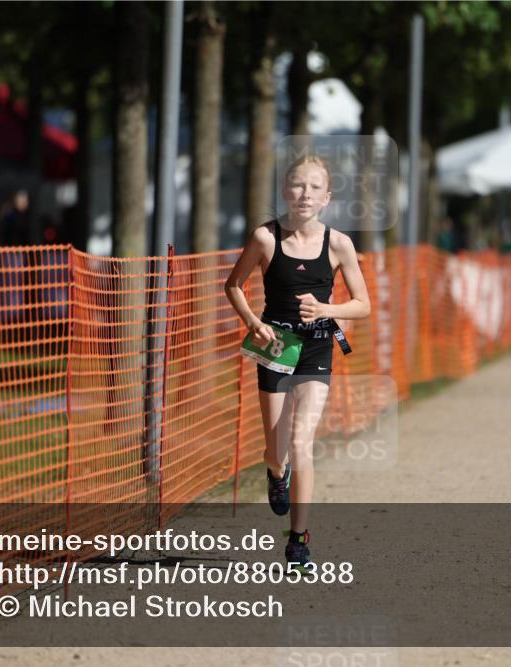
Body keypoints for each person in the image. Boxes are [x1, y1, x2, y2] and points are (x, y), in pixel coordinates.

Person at [225, 155, 371, 567]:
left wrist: (327, 310)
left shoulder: (339, 244)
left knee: (300, 442)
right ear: (285, 191)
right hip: (275, 345)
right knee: (275, 451)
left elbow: (363, 305)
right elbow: (233, 285)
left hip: (317, 347)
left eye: (314, 187)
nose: (305, 194)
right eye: (297, 185)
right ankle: (276, 475)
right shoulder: (265, 239)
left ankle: (298, 540)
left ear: (327, 197)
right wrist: (253, 322)